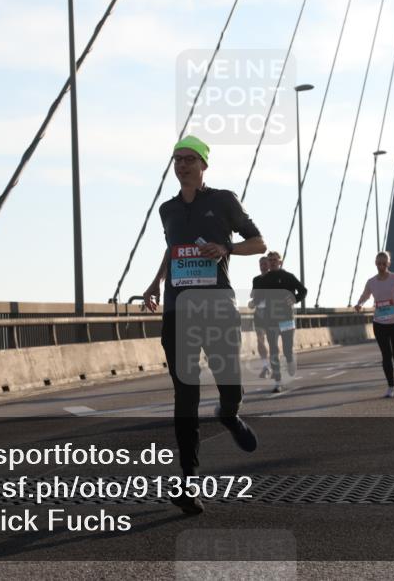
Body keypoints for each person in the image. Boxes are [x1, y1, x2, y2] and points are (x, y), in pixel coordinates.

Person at [142, 135, 266, 515]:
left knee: (230, 385)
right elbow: (174, 249)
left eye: (189, 159)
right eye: (177, 159)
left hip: (217, 306)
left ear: (203, 165)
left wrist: (227, 249)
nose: (182, 165)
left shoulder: (223, 201)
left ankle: (229, 414)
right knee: (186, 396)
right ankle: (188, 481)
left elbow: (258, 243)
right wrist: (155, 281)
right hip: (179, 310)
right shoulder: (167, 210)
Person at [355, 251, 394, 398]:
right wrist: (359, 304)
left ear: (388, 264)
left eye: (384, 264)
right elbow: (365, 295)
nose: (381, 266)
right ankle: (391, 387)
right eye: (379, 263)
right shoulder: (371, 282)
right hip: (379, 323)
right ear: (375, 263)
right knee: (386, 355)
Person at [251, 251, 307, 393]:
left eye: (275, 260)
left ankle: (289, 360)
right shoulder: (264, 280)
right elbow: (258, 297)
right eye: (270, 260)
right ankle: (278, 381)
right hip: (270, 320)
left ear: (280, 262)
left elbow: (303, 290)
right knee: (274, 350)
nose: (272, 262)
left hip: (287, 318)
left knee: (287, 349)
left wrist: (295, 299)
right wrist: (253, 302)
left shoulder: (288, 277)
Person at [248, 256, 272, 379]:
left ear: (269, 265)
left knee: (272, 341)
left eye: (264, 264)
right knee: (260, 340)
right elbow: (253, 294)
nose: (262, 266)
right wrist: (253, 301)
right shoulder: (256, 279)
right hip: (259, 313)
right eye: (261, 264)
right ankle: (265, 366)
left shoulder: (274, 278)